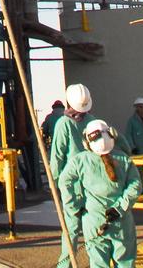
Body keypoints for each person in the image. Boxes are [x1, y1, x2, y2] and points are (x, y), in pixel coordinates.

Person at [59, 118, 141, 268]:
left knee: (98, 263)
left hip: (93, 221)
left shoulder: (80, 160)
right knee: (125, 262)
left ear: (87, 141)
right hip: (121, 221)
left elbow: (64, 181)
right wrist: (119, 207)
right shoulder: (124, 159)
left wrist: (74, 207)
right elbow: (135, 185)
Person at [50, 83, 93, 266]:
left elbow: (57, 156)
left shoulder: (64, 123)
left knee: (71, 229)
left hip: (73, 184)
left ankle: (65, 265)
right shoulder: (92, 120)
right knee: (94, 227)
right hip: (92, 182)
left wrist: (56, 182)